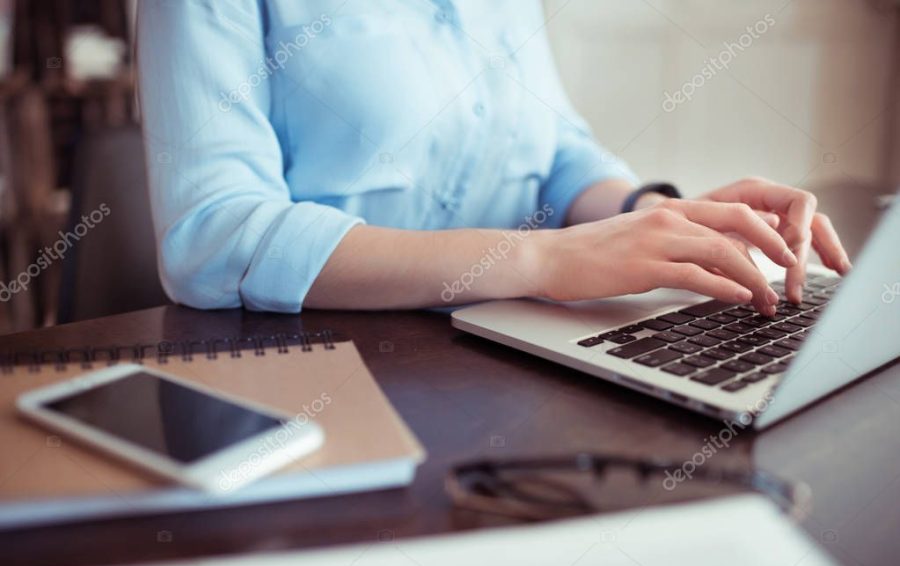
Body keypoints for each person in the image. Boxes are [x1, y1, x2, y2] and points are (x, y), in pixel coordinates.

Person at [137, 0, 850, 317]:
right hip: (319, 382)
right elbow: (213, 233)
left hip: (514, 352)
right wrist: (544, 261)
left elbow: (559, 150)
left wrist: (659, 218)